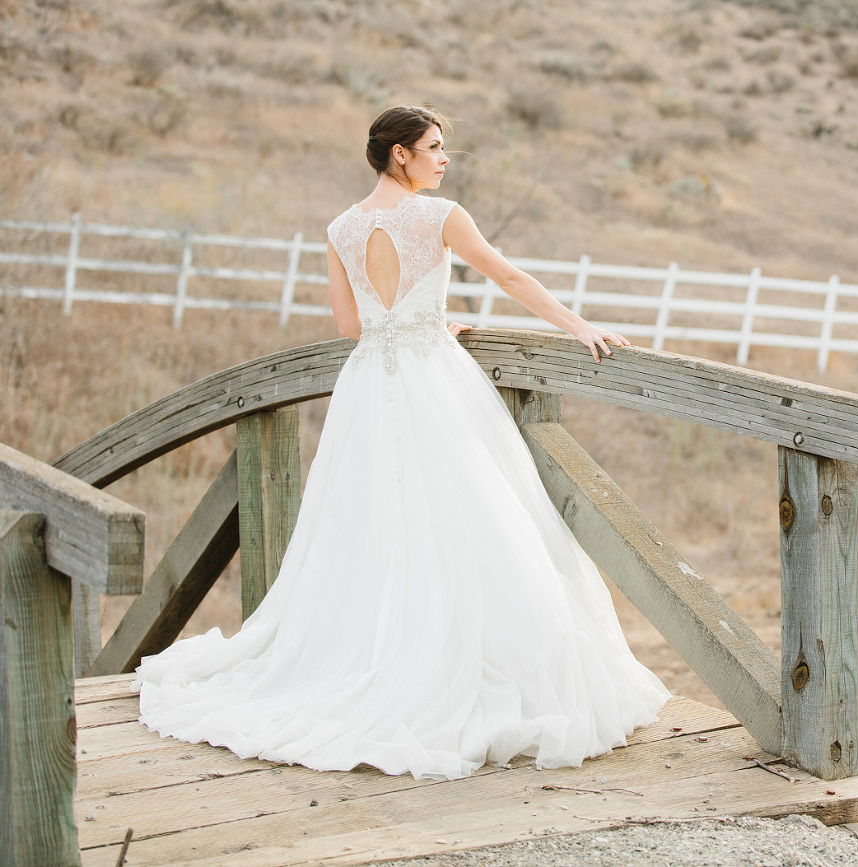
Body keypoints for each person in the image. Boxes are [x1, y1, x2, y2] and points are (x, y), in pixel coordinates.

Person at [132, 105, 671, 781]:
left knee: (373, 525)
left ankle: (378, 655)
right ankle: (450, 663)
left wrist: (413, 321)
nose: (444, 159)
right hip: (431, 380)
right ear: (399, 155)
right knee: (471, 519)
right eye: (434, 147)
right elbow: (506, 276)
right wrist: (575, 324)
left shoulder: (340, 227)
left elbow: (352, 323)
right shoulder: (441, 216)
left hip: (368, 387)